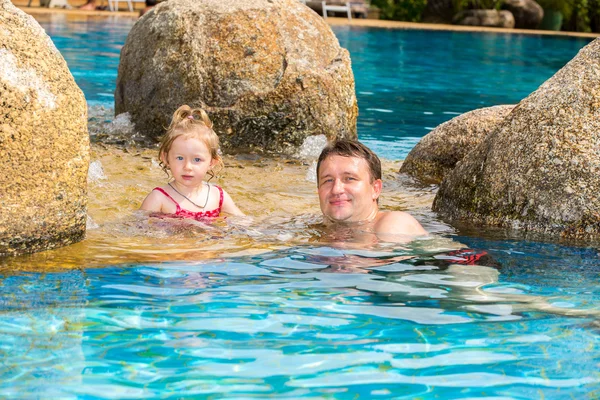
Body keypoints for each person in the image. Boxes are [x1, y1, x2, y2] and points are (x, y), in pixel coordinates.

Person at [140, 105, 244, 220]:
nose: (187, 167)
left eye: (197, 159)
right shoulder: (159, 198)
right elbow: (138, 229)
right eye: (180, 158)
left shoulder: (217, 196)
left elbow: (243, 222)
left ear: (212, 162)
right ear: (166, 158)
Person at [316, 139, 427, 241]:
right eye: (328, 180)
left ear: (375, 189)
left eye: (349, 178)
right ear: (318, 190)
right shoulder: (313, 226)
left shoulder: (394, 224)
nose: (336, 189)